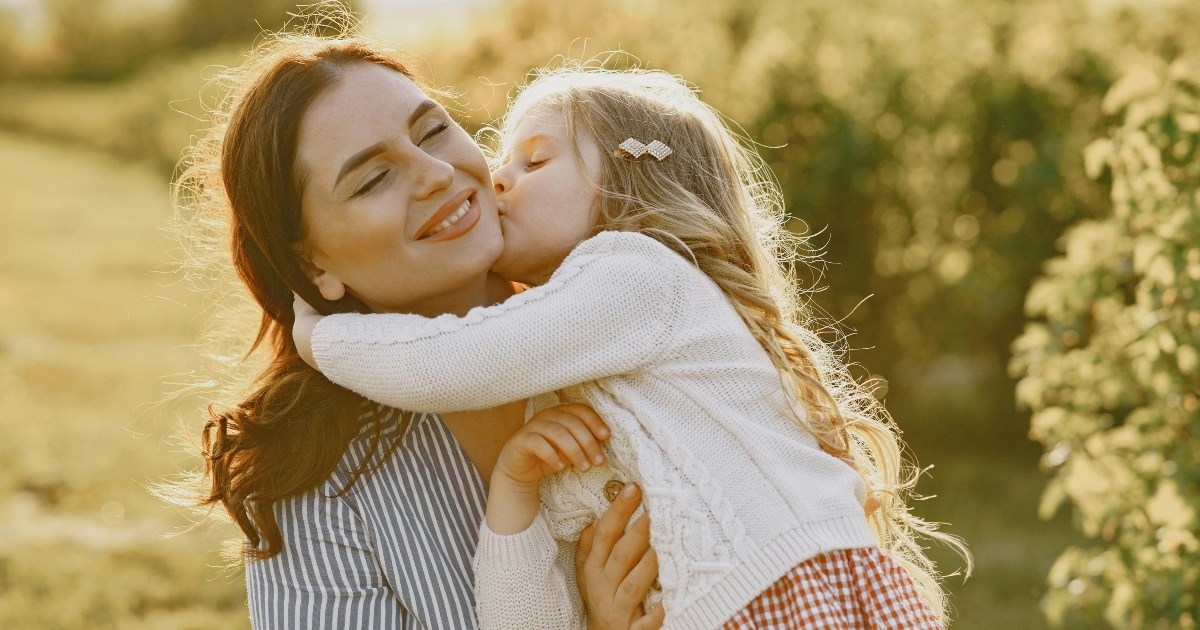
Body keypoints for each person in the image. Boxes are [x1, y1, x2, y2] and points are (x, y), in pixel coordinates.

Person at [292, 66, 971, 629]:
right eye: (504, 159)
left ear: (626, 186)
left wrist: (321, 335)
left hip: (793, 597)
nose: (496, 180)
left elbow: (446, 363)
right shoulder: (571, 397)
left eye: (534, 160)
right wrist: (514, 490)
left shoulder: (637, 274)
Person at [172, 24, 664, 630]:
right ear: (311, 265)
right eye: (373, 179)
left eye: (432, 130)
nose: (435, 174)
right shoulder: (317, 481)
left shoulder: (629, 311)